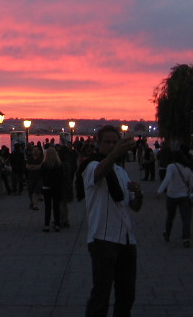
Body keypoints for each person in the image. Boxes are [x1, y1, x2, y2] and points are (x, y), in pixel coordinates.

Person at [83, 125, 142, 317]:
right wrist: (115, 153)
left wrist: (138, 194)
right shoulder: (91, 166)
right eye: (107, 142)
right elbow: (99, 172)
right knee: (101, 295)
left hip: (126, 240)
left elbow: (133, 206)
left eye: (114, 142)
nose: (111, 145)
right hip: (103, 238)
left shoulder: (121, 172)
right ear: (98, 144)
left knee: (127, 295)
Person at [156, 146, 193, 247]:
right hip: (184, 196)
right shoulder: (188, 169)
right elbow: (191, 184)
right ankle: (186, 238)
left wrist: (159, 191)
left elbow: (167, 180)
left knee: (170, 216)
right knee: (186, 218)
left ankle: (167, 234)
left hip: (172, 195)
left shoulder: (171, 167)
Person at [40, 146, 64, 232]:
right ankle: (57, 224)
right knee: (56, 206)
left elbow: (41, 176)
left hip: (46, 187)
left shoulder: (44, 164)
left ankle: (46, 225)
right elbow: (61, 176)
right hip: (56, 187)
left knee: (47, 207)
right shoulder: (59, 164)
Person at [26, 145, 43, 210]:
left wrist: (33, 166)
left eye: (36, 150)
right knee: (30, 191)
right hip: (30, 177)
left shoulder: (41, 158)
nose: (35, 151)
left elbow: (40, 166)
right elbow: (27, 166)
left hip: (39, 177)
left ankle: (35, 205)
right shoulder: (29, 158)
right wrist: (36, 167)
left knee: (37, 191)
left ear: (39, 151)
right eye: (34, 150)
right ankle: (31, 202)